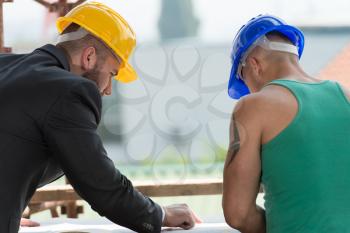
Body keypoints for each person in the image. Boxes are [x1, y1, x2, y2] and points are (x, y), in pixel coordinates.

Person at [0, 2, 200, 233]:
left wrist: (9, 208)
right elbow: (100, 184)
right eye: (112, 74)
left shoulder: (7, 66)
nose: (108, 90)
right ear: (89, 56)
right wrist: (161, 214)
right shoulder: (68, 91)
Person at [222, 14, 350, 233]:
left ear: (254, 65)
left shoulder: (252, 107)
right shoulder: (345, 96)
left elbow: (238, 214)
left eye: (244, 81)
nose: (250, 90)